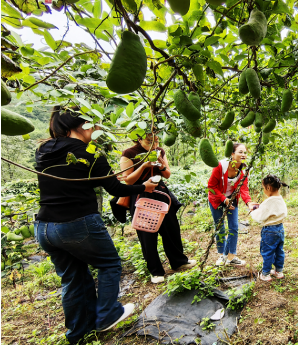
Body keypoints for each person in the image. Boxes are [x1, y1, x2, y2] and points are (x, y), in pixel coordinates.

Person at [34, 106, 159, 344]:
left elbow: (73, 179)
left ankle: (78, 333)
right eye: (96, 124)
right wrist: (144, 187)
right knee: (110, 263)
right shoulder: (90, 152)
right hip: (76, 222)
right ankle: (108, 314)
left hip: (44, 227)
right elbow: (116, 189)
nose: (99, 129)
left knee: (73, 278)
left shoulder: (44, 149)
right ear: (84, 125)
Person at [120, 133, 196, 284]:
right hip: (141, 195)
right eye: (149, 141)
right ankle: (155, 271)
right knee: (147, 234)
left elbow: (167, 174)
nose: (154, 144)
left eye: (156, 141)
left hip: (161, 194)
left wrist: (160, 164)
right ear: (139, 139)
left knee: (171, 229)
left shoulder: (159, 150)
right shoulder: (129, 154)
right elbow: (128, 180)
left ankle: (179, 261)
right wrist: (144, 165)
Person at [208, 143, 257, 266]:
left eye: (245, 152)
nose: (243, 154)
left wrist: (249, 202)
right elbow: (211, 186)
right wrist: (224, 199)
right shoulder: (220, 166)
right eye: (240, 152)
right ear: (232, 154)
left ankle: (231, 256)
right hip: (216, 198)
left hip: (232, 199)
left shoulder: (244, 170)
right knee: (220, 227)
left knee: (234, 227)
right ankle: (221, 256)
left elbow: (243, 188)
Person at [250, 175, 288, 282]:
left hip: (269, 231)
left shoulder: (269, 201)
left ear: (268, 188)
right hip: (280, 229)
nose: (263, 191)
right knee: (279, 250)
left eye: (263, 188)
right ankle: (278, 271)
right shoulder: (280, 199)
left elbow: (260, 216)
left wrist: (253, 211)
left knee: (268, 252)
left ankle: (265, 274)